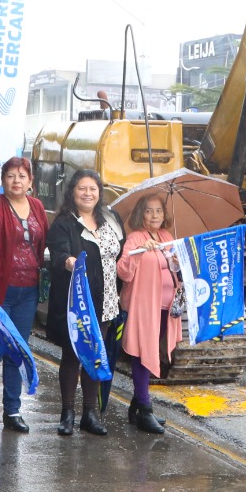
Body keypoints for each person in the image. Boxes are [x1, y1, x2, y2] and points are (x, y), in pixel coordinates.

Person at [45, 170, 124, 437]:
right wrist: (68, 261)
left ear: (99, 192)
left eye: (92, 188)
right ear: (72, 192)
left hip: (106, 301)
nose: (87, 193)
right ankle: (67, 413)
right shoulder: (64, 223)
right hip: (77, 302)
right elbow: (58, 254)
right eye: (82, 189)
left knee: (95, 355)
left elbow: (119, 254)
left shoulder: (112, 219)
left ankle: (89, 414)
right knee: (72, 356)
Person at [0, 156, 46, 435]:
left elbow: (42, 243)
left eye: (22, 176)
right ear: (2, 180)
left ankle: (12, 411)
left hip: (28, 291)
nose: (17, 181)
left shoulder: (37, 206)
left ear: (30, 181)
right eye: (11, 176)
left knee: (17, 349)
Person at [114, 194, 180, 434]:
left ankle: (136, 407)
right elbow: (123, 272)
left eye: (159, 211)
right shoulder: (135, 238)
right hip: (143, 308)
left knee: (151, 352)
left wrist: (176, 260)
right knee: (142, 355)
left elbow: (174, 270)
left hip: (164, 308)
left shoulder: (167, 237)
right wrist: (140, 251)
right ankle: (145, 408)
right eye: (150, 211)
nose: (155, 216)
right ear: (141, 214)